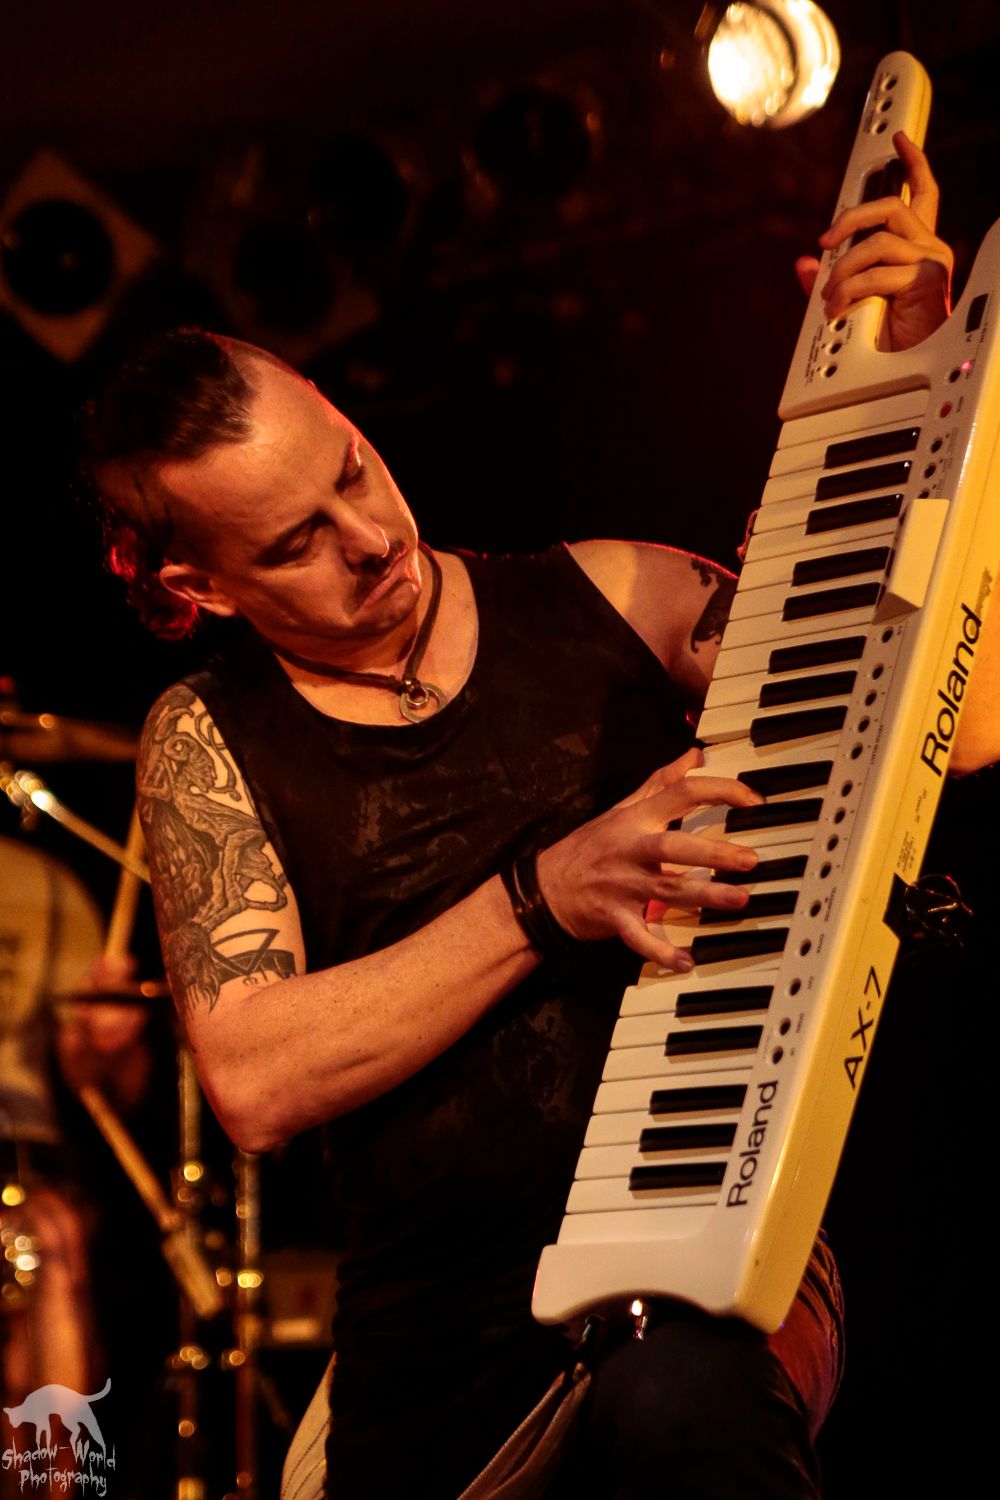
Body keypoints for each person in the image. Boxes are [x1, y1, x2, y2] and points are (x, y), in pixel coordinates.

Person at [80, 133, 982, 1498]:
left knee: (680, 1403)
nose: (369, 537)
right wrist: (544, 897)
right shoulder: (208, 739)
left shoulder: (612, 594)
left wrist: (922, 380)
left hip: (704, 1252)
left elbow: (958, 720)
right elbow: (256, 1081)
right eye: (294, 542)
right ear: (197, 588)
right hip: (433, 1358)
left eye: (350, 470)